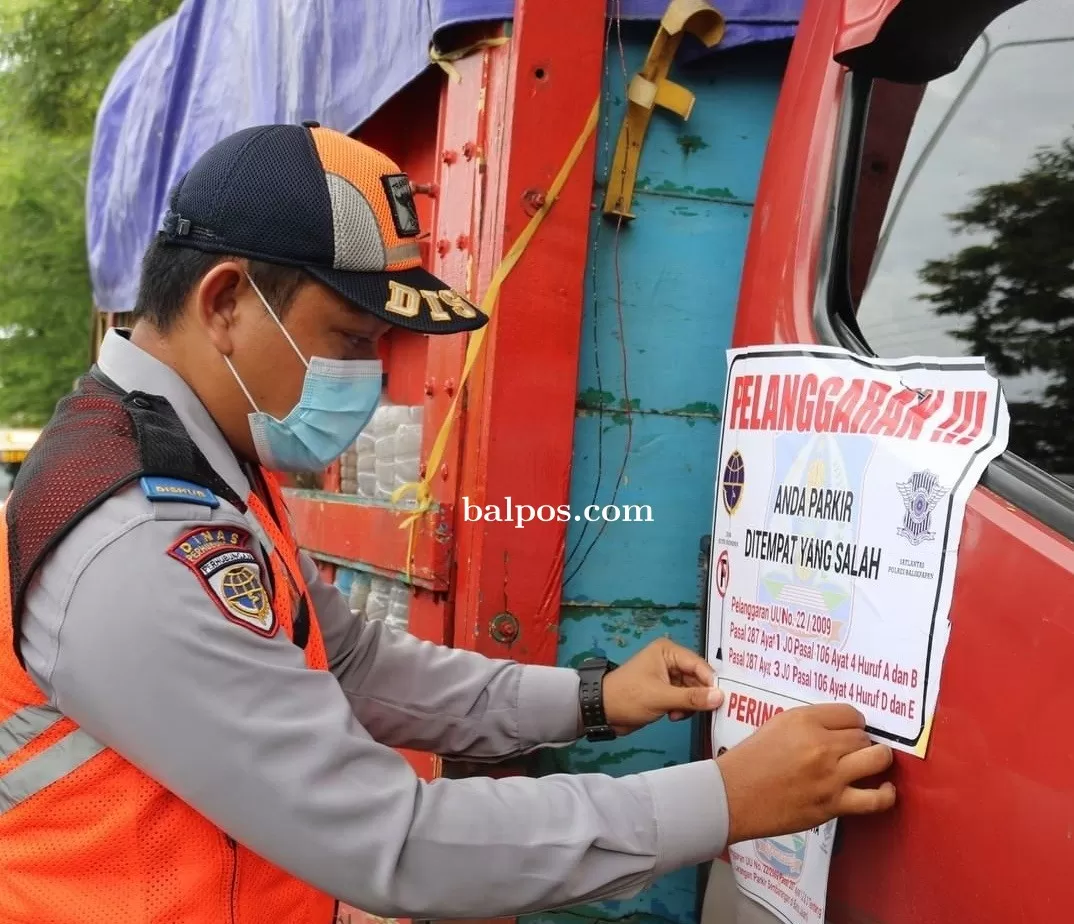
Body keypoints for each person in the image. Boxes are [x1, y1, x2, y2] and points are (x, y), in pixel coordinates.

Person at [0, 123, 895, 923]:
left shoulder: (202, 461)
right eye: (350, 339)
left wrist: (589, 698)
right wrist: (726, 802)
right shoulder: (137, 539)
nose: (371, 377)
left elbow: (350, 665)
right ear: (227, 302)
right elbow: (395, 842)